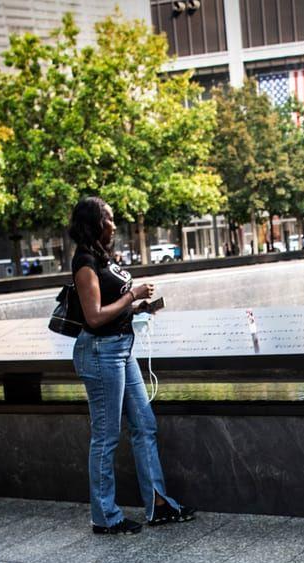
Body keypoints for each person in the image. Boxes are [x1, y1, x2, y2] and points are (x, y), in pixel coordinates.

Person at [68, 196, 195, 534]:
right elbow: (94, 317)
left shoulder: (102, 259)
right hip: (100, 352)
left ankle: (158, 503)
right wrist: (132, 295)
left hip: (122, 348)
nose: (114, 224)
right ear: (96, 223)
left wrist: (139, 308)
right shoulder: (84, 262)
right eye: (109, 219)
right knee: (106, 436)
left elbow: (112, 307)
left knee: (144, 423)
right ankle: (104, 516)